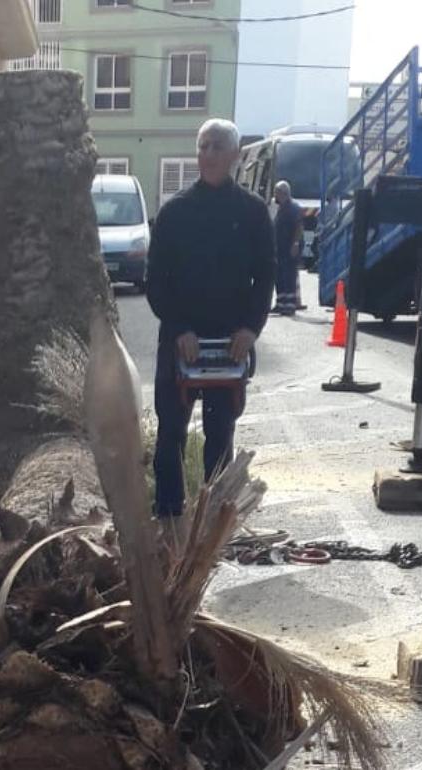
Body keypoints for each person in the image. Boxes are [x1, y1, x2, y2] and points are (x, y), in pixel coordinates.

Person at [146, 118, 275, 518]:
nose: (208, 155)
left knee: (221, 437)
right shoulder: (175, 212)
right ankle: (167, 515)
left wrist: (251, 329)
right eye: (202, 146)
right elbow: (156, 280)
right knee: (170, 435)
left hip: (229, 341)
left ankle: (216, 518)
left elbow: (266, 276)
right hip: (180, 340)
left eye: (217, 147)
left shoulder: (253, 214)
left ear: (235, 155)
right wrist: (180, 327)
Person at [272, 180, 303, 316]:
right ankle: (280, 303)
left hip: (289, 247)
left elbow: (299, 227)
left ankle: (290, 305)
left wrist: (295, 244)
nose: (275, 196)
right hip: (280, 247)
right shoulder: (282, 208)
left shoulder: (293, 208)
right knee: (279, 276)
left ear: (283, 193)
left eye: (276, 193)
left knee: (288, 275)